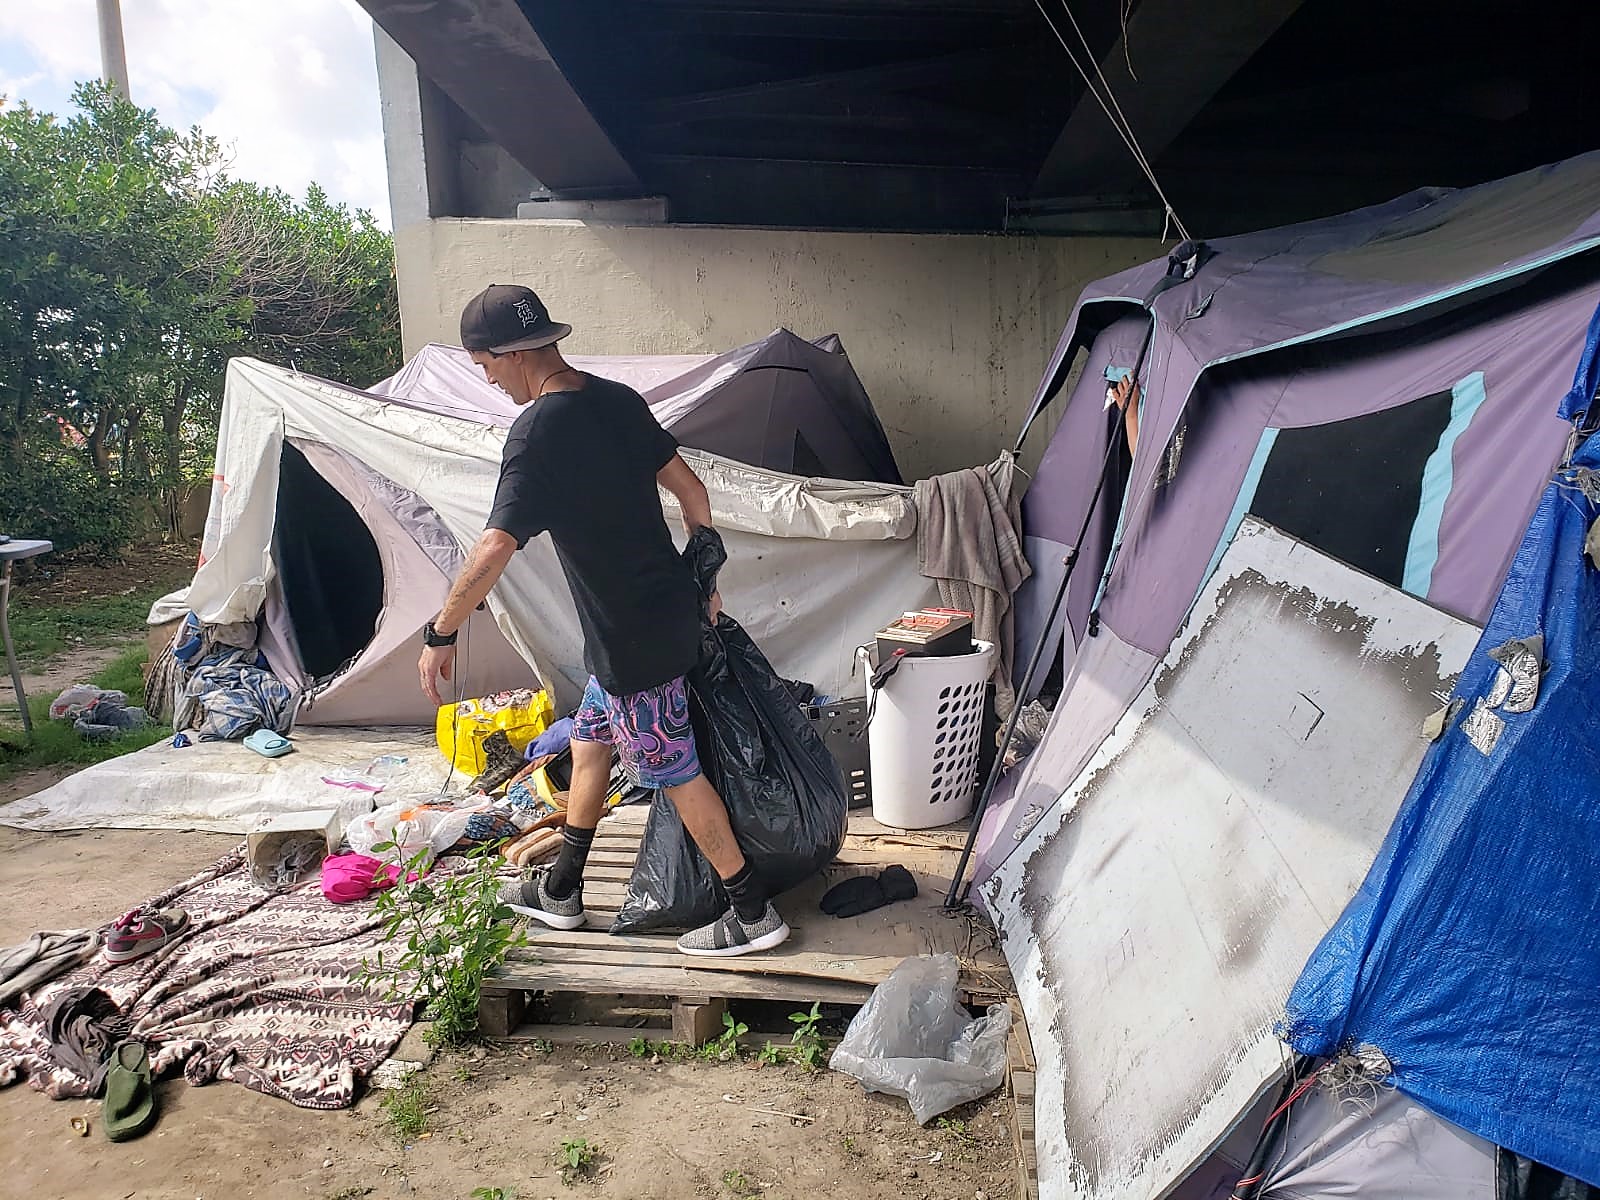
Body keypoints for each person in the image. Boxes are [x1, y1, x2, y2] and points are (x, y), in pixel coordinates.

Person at [417, 283, 790, 959]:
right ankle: (562, 889)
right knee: (591, 741)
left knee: (674, 771)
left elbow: (495, 546)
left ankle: (753, 912)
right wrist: (704, 577)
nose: (491, 381)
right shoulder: (618, 400)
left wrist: (441, 632)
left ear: (513, 354)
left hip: (632, 643)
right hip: (654, 618)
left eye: (486, 367)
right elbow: (693, 493)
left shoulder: (536, 432)